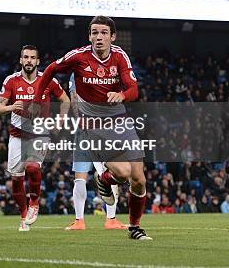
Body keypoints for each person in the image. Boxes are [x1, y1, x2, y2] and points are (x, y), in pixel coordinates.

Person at [32, 16, 152, 240]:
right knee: (123, 173)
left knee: (139, 178)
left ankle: (134, 227)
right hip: (93, 126)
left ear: (112, 37)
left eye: (104, 33)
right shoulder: (78, 57)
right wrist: (38, 99)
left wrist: (122, 94)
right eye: (95, 32)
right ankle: (106, 179)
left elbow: (134, 88)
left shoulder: (119, 57)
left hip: (121, 121)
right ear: (89, 36)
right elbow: (49, 70)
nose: (99, 37)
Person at [0, 45, 70, 231]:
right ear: (21, 60)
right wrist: (12, 107)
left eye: (32, 58)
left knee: (33, 166)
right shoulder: (11, 81)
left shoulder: (47, 79)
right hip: (17, 136)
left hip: (39, 133)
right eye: (25, 57)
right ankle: (23, 215)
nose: (29, 61)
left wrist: (61, 119)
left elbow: (65, 100)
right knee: (17, 179)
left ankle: (35, 202)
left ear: (37, 61)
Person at [66, 75, 128, 230]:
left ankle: (80, 221)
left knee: (81, 177)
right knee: (105, 174)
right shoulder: (103, 71)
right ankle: (110, 220)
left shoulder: (77, 73)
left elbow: (74, 98)